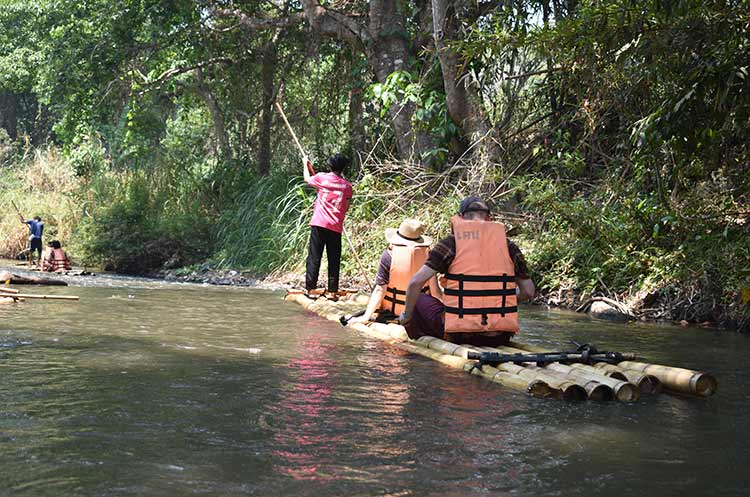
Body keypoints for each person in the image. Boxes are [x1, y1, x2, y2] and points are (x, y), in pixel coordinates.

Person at [398, 196, 535, 346]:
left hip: (460, 335)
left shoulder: (451, 243)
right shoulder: (509, 247)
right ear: (489, 218)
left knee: (419, 299)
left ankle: (417, 346)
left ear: (461, 217)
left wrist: (406, 316)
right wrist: (496, 302)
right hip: (499, 336)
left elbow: (415, 283)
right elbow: (528, 291)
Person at [349, 219, 440, 324]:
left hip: (393, 312)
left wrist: (365, 317)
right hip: (419, 312)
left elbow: (380, 290)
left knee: (377, 285)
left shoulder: (389, 255)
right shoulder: (428, 255)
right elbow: (435, 291)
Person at [303, 153, 353, 296]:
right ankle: (332, 290)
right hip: (335, 226)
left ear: (330, 165)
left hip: (319, 223)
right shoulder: (347, 187)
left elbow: (307, 179)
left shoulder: (321, 177)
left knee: (314, 256)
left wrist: (305, 163)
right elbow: (346, 206)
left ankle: (311, 287)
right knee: (334, 258)